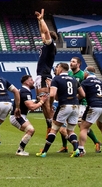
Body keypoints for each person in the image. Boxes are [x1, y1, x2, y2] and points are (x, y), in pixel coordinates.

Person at [36, 63, 84, 157]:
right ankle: (76, 150)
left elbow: (53, 95)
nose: (56, 70)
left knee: (54, 129)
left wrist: (50, 105)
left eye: (57, 68)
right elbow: (82, 94)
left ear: (61, 69)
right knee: (70, 131)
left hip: (64, 106)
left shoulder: (56, 79)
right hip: (75, 106)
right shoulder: (74, 79)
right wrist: (73, 98)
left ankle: (44, 152)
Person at [58, 57, 101, 154]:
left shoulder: (82, 75)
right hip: (71, 103)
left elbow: (85, 90)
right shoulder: (68, 74)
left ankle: (96, 142)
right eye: (70, 61)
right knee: (62, 123)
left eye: (73, 62)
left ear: (78, 64)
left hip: (81, 104)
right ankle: (65, 146)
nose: (71, 63)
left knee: (81, 125)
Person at [77, 66, 102, 156]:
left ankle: (80, 149)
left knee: (83, 127)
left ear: (86, 73)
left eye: (84, 73)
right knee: (101, 125)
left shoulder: (85, 82)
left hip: (94, 105)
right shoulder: (101, 82)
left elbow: (81, 95)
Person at [35, 9, 57, 137]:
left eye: (44, 36)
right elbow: (42, 31)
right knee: (43, 104)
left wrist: (42, 19)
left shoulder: (50, 45)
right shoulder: (46, 46)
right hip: (42, 76)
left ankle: (52, 127)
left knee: (46, 103)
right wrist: (39, 22)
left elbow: (46, 32)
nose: (42, 36)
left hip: (44, 76)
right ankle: (50, 125)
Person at [10, 75, 45, 156]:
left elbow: (28, 106)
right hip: (18, 116)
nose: (33, 82)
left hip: (19, 116)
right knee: (30, 130)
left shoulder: (24, 91)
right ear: (26, 82)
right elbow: (31, 107)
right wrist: (42, 102)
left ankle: (20, 149)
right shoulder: (25, 92)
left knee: (30, 131)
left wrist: (37, 101)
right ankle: (19, 151)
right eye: (31, 80)